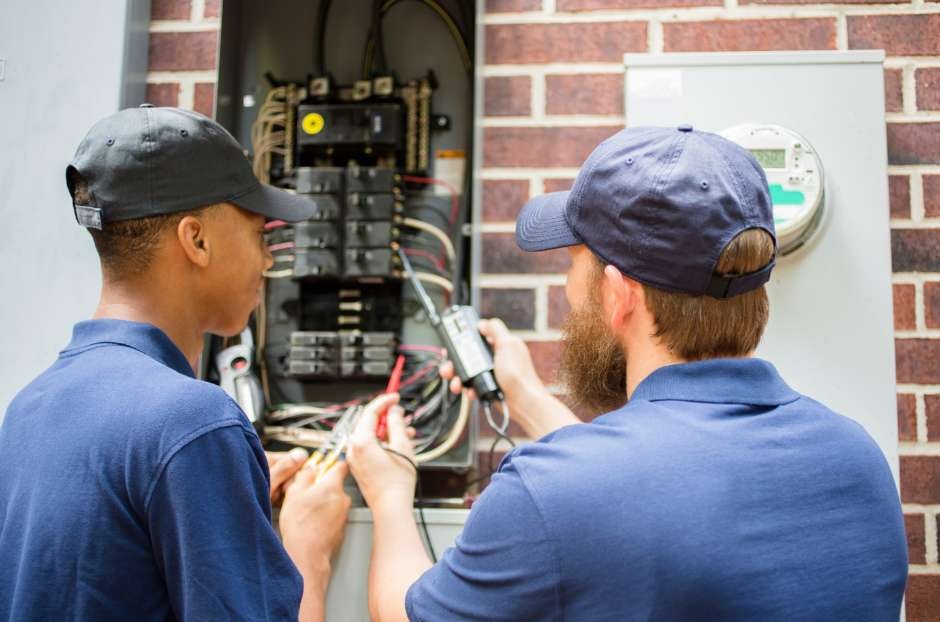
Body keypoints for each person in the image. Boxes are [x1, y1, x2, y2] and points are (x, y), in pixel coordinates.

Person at [347, 125, 909, 621]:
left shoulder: (553, 490)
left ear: (619, 294)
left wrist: (391, 492)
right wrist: (524, 397)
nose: (569, 290)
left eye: (573, 263)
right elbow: (657, 486)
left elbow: (404, 612)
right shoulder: (857, 460)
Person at [0, 105, 382, 621]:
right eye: (258, 235)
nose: (268, 260)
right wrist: (306, 551)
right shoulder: (194, 423)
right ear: (196, 240)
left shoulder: (29, 408)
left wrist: (221, 492)